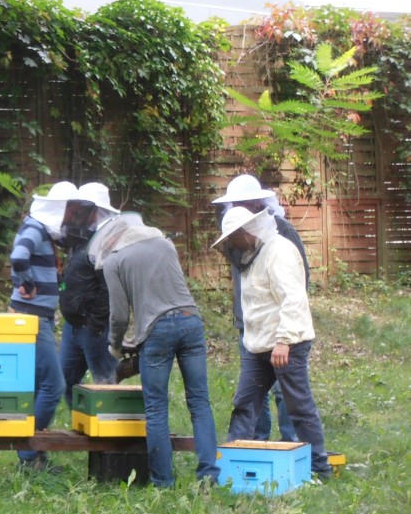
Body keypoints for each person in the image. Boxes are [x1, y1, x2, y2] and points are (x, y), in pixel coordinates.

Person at [90, 212, 220, 488]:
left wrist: (115, 346)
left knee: (156, 408)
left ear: (111, 240)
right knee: (199, 402)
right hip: (190, 321)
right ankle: (209, 477)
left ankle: (163, 483)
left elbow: (119, 316)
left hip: (156, 331)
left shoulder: (114, 261)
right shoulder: (165, 245)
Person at [213, 207, 333, 481]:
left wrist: (283, 341)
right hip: (258, 346)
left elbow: (293, 298)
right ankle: (232, 465)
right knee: (244, 403)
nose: (230, 243)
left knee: (298, 406)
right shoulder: (250, 254)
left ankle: (319, 468)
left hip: (286, 344)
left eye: (233, 236)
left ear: (246, 232)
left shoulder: (279, 251)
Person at [212, 174, 307, 442]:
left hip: (279, 326)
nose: (237, 207)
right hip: (248, 323)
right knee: (252, 390)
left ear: (256, 201)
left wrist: (286, 331)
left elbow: (298, 282)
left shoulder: (282, 231)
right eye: (233, 203)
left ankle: (292, 443)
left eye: (242, 201)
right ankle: (255, 442)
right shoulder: (235, 231)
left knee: (285, 390)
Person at [9, 181, 77, 472]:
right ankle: (28, 453)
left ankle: (31, 455)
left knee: (38, 386)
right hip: (31, 318)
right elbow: (18, 256)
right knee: (54, 384)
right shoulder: (35, 228)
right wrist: (26, 283)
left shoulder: (44, 232)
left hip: (37, 317)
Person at [59, 182, 120, 407]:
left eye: (83, 208)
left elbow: (108, 287)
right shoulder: (83, 237)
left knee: (105, 384)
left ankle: (108, 437)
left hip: (94, 328)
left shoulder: (107, 240)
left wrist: (96, 323)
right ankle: (84, 431)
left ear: (96, 210)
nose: (78, 214)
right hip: (73, 326)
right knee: (64, 381)